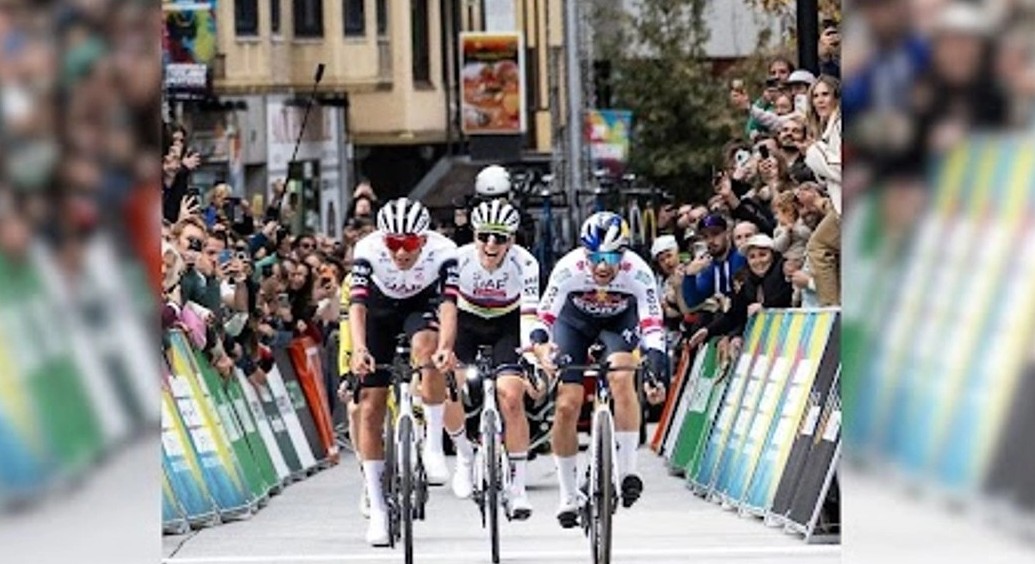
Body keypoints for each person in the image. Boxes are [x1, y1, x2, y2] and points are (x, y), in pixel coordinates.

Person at [528, 212, 668, 529]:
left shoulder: (638, 272)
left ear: (623, 254)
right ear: (584, 253)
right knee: (567, 404)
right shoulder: (569, 268)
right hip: (574, 325)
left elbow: (652, 324)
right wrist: (540, 345)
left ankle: (628, 470)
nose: (602, 266)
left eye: (611, 258)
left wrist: (656, 362)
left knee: (621, 376)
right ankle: (568, 494)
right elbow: (544, 317)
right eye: (594, 257)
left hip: (618, 325)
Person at [347, 198, 463, 546]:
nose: (400, 252)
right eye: (393, 243)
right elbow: (357, 305)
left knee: (428, 347)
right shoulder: (367, 248)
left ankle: (433, 446)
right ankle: (378, 508)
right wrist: (359, 349)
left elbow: (449, 306)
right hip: (379, 310)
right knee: (370, 406)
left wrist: (446, 347)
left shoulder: (444, 251)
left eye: (409, 243)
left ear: (423, 239)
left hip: (421, 304)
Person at [452, 200, 540, 518]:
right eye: (484, 236)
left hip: (508, 323)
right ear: (474, 235)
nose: (491, 244)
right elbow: (444, 308)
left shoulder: (526, 263)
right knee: (449, 386)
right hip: (466, 320)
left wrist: (532, 356)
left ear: (511, 240)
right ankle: (463, 456)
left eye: (500, 238)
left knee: (511, 397)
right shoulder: (458, 260)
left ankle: (518, 488)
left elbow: (529, 313)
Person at [687, 234, 794, 350]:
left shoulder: (784, 272)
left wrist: (765, 306)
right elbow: (734, 315)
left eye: (763, 255)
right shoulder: (747, 283)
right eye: (752, 257)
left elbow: (787, 295)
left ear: (773, 255)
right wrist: (708, 330)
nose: (758, 261)